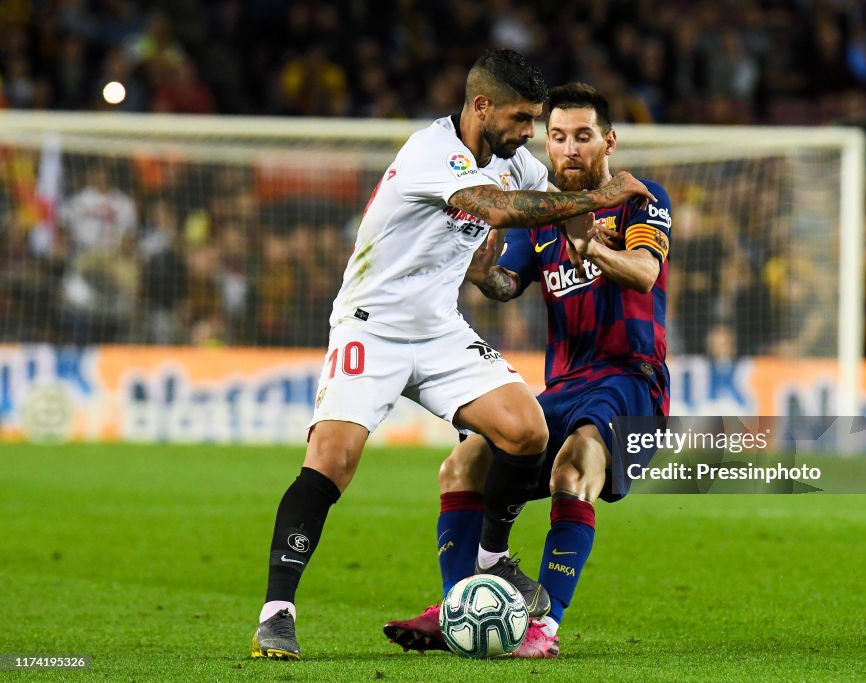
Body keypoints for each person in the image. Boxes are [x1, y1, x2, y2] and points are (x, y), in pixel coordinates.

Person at [250, 51, 656, 660]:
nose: (530, 135)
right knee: (333, 460)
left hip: (440, 330)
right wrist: (602, 200)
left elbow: (557, 215)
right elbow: (496, 208)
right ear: (482, 107)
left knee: (526, 431)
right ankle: (276, 613)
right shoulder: (430, 152)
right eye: (523, 120)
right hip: (372, 326)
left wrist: (585, 235)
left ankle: (494, 558)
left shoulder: (516, 163)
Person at [383, 82, 672, 658]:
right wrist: (481, 269)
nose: (568, 149)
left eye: (583, 137)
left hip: (631, 381)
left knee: (574, 467)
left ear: (608, 141)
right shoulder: (544, 215)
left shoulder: (639, 199)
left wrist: (594, 250)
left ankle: (545, 627)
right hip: (563, 387)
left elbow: (643, 272)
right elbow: (506, 285)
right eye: (558, 136)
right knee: (462, 465)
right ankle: (460, 608)